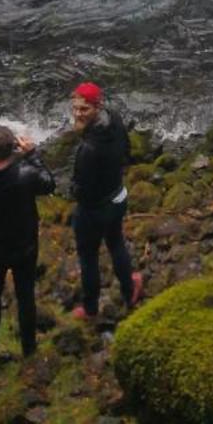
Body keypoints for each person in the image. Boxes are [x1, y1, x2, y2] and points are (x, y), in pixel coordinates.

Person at [0, 124, 55, 373]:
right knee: (26, 297)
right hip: (24, 246)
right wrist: (33, 155)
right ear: (13, 148)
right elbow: (49, 184)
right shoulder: (24, 175)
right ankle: (29, 349)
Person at [69, 81, 143, 319]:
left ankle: (90, 308)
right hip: (117, 196)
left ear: (96, 107)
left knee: (89, 257)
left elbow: (79, 191)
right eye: (76, 108)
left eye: (84, 109)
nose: (79, 113)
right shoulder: (114, 118)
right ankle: (130, 289)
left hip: (94, 210)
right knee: (116, 243)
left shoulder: (88, 150)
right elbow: (127, 151)